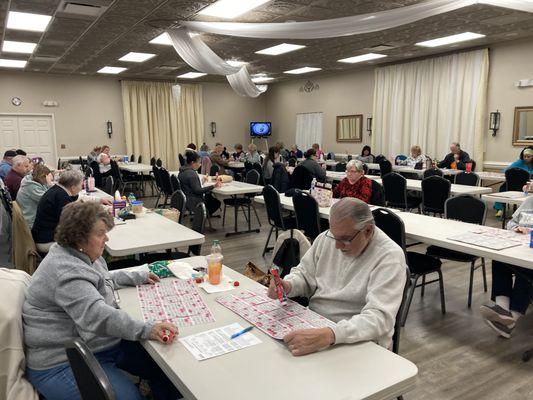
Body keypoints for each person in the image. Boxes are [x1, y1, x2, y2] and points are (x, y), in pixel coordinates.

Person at [23, 201, 180, 399]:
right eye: (100, 233)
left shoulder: (81, 253)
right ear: (78, 237)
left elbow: (100, 279)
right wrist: (147, 328)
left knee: (165, 370)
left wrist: (136, 276)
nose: (106, 238)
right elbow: (97, 316)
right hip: (61, 360)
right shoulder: (66, 270)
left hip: (96, 343)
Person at [267, 198, 406, 355]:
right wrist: (289, 285)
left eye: (345, 239)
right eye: (334, 236)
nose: (337, 246)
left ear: (368, 231)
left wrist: (331, 334)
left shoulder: (389, 257)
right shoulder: (327, 238)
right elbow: (305, 275)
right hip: (318, 323)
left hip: (360, 339)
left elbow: (378, 319)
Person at [479, 194, 533, 339]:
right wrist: (516, 228)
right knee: (499, 259)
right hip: (520, 248)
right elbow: (511, 222)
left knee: (527, 270)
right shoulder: (529, 201)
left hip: (530, 256)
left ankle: (511, 320)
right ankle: (502, 311)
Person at [32, 170, 110, 253]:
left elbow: (79, 198)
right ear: (73, 187)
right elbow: (75, 223)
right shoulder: (61, 197)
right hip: (47, 241)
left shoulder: (59, 190)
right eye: (81, 185)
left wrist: (99, 200)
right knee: (91, 242)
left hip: (42, 236)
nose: (81, 188)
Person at [179, 150, 221, 216]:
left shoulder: (182, 170)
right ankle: (203, 216)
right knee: (216, 202)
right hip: (194, 201)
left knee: (210, 197)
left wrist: (201, 182)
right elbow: (198, 190)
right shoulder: (192, 174)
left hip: (186, 198)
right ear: (192, 162)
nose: (200, 164)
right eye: (199, 162)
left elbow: (190, 186)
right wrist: (213, 186)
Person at [494, 146, 533, 217]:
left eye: (528, 156)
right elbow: (506, 170)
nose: (526, 158)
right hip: (516, 185)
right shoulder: (520, 162)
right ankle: (500, 209)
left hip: (528, 186)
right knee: (503, 187)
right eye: (524, 156)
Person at [16, 164, 53, 228]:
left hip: (31, 215)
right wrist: (50, 184)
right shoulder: (31, 187)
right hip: (31, 221)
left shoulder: (33, 181)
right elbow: (49, 200)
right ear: (42, 177)